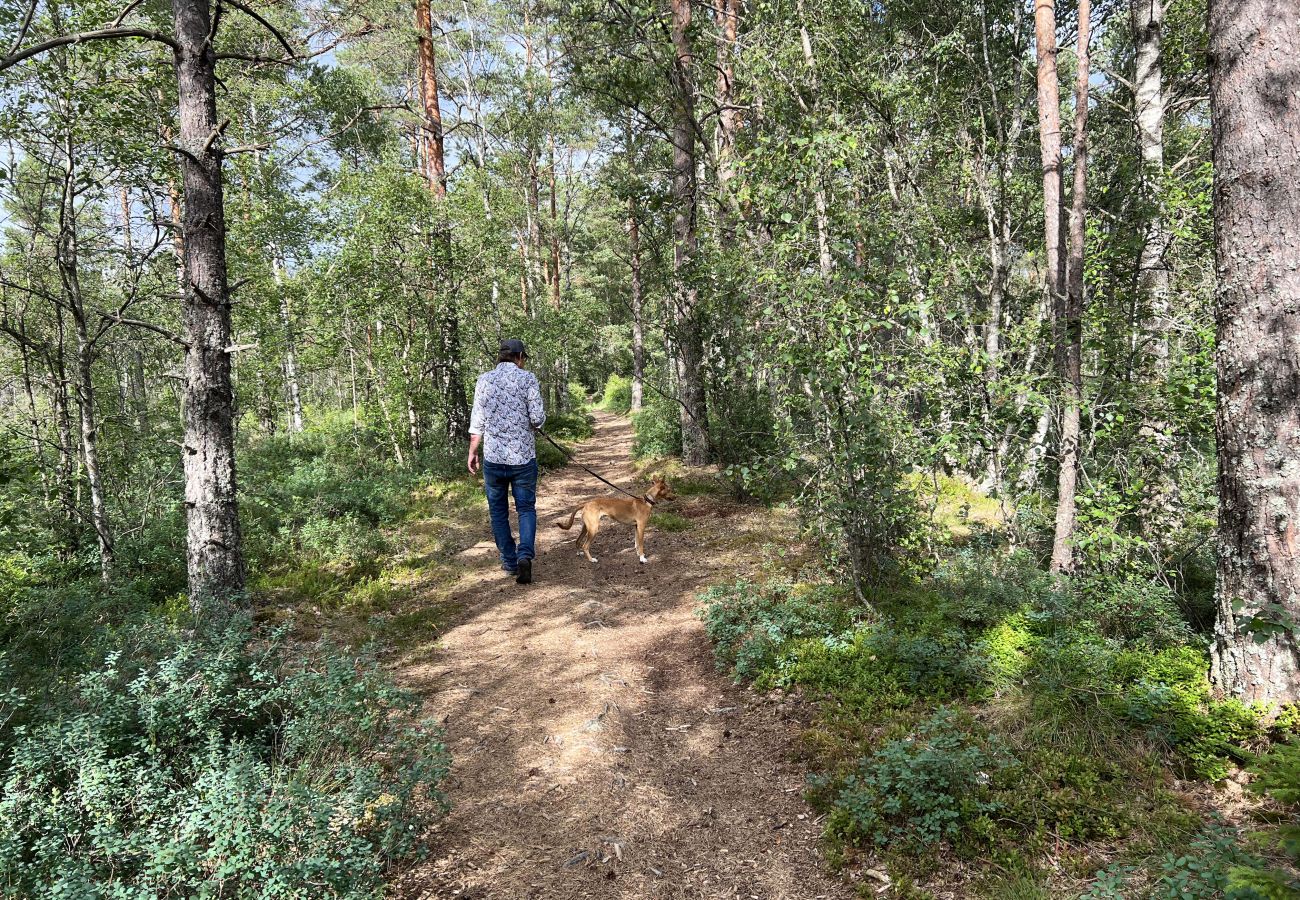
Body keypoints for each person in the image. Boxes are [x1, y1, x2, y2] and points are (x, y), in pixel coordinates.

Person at [468, 339, 546, 584]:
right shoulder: (527, 379)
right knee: (525, 509)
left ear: (501, 356)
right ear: (520, 356)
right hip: (522, 458)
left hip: (493, 459)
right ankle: (525, 556)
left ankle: (511, 562)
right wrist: (535, 423)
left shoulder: (484, 380)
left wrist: (473, 451)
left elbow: (477, 423)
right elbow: (537, 419)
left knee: (498, 512)